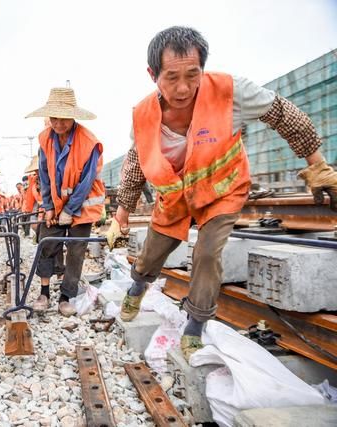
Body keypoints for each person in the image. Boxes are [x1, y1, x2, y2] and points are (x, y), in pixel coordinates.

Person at [107, 26, 337, 361]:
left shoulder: (232, 92)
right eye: (171, 77)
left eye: (192, 74)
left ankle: (195, 326)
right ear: (152, 74)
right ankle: (138, 286)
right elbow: (135, 163)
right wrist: (121, 215)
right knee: (151, 255)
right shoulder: (143, 116)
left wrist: (318, 166)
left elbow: (285, 116)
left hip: (222, 191)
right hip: (174, 200)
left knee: (206, 253)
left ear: (203, 67)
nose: (183, 88)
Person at [26, 87, 106, 317]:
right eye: (54, 118)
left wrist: (70, 210)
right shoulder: (45, 139)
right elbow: (44, 174)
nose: (58, 123)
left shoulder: (88, 142)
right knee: (47, 242)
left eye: (63, 119)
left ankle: (66, 296)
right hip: (57, 205)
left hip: (83, 205)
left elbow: (87, 180)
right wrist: (49, 207)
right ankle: (43, 293)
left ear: (73, 117)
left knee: (75, 251)